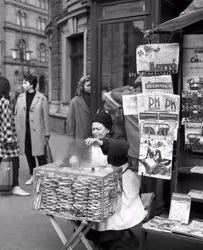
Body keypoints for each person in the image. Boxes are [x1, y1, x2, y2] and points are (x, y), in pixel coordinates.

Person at [83, 111, 147, 250]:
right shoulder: (91, 143)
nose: (95, 132)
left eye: (98, 129)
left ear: (108, 129)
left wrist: (101, 142)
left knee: (114, 214)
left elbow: (122, 147)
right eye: (93, 129)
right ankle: (97, 238)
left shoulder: (116, 140)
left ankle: (113, 242)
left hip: (120, 183)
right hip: (100, 185)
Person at [0, 76, 30, 196]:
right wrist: (11, 140)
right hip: (4, 139)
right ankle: (15, 186)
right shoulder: (4, 102)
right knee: (15, 159)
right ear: (6, 88)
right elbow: (6, 123)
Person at [14, 73, 50, 185]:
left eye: (25, 82)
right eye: (23, 82)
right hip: (24, 132)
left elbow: (45, 117)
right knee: (28, 154)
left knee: (40, 156)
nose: (23, 85)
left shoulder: (42, 98)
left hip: (38, 131)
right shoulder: (20, 97)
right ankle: (33, 175)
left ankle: (44, 178)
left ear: (32, 84)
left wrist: (47, 133)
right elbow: (15, 114)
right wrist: (15, 129)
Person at [66, 75, 92, 139]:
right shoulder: (75, 101)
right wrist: (71, 137)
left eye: (92, 85)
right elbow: (71, 121)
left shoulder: (96, 99)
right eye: (88, 85)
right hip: (81, 136)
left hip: (94, 135)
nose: (90, 87)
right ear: (82, 87)